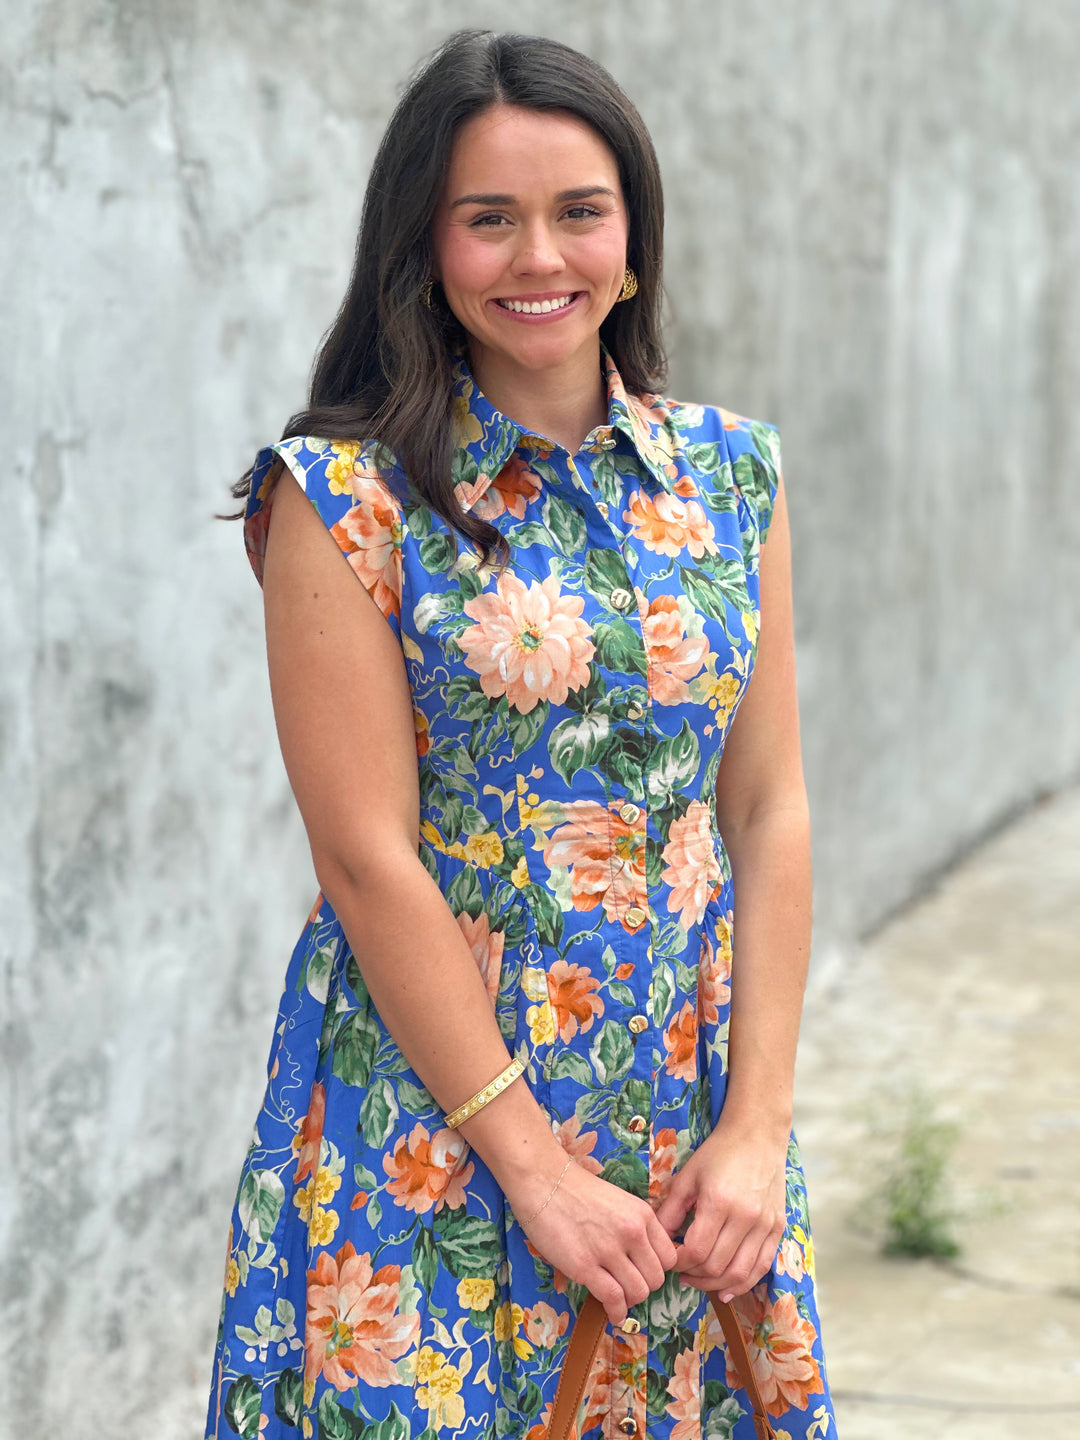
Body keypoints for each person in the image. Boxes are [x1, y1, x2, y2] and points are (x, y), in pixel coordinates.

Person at [206, 27, 835, 1440]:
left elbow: (770, 804)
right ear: (422, 246)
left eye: (578, 212)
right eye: (488, 219)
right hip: (435, 1113)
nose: (538, 256)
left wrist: (757, 1127)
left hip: (688, 1107)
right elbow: (366, 857)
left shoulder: (732, 477)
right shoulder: (344, 498)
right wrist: (533, 1168)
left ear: (633, 233)